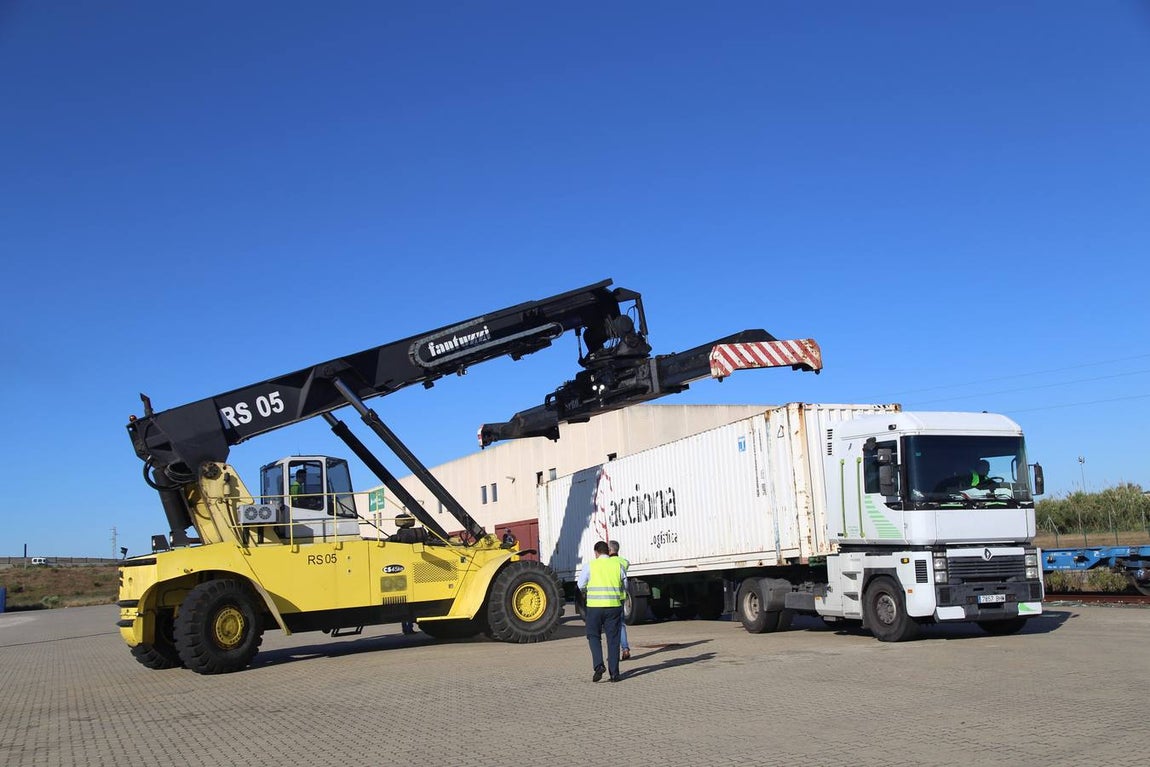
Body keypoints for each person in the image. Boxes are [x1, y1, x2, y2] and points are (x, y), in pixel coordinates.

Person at [577, 540, 627, 682]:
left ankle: (599, 666)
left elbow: (580, 585)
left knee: (593, 636)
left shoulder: (590, 566)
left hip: (594, 608)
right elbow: (625, 585)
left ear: (596, 552)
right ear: (608, 551)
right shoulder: (617, 565)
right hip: (613, 607)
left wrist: (588, 591)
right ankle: (614, 673)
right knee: (613, 639)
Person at [608, 540, 631, 660]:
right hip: (621, 597)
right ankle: (625, 648)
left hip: (610, 598)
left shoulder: (608, 563)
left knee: (611, 626)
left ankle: (613, 653)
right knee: (621, 625)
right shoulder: (623, 562)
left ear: (610, 550)